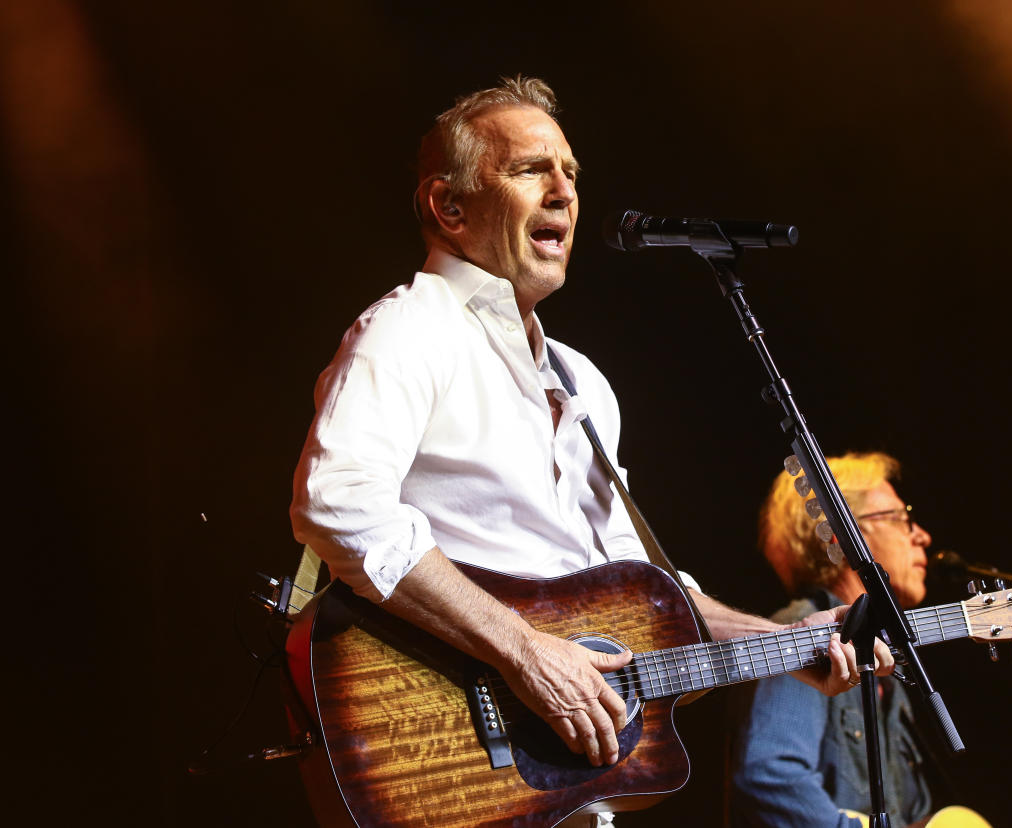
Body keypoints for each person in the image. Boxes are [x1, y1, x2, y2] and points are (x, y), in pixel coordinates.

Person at [289, 76, 887, 825]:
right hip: (445, 768)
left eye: (571, 173)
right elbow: (337, 507)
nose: (563, 192)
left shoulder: (585, 384)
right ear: (449, 205)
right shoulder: (410, 331)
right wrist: (524, 651)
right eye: (530, 169)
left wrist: (787, 644)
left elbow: (649, 599)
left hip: (566, 792)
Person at [729, 451, 936, 828]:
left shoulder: (885, 653)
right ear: (845, 534)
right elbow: (771, 775)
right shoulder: (800, 633)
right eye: (899, 517)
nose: (922, 535)